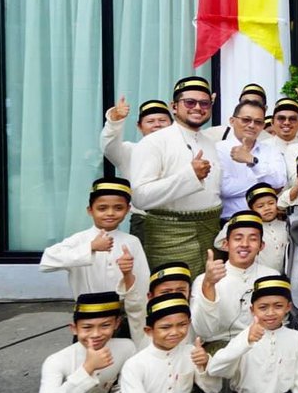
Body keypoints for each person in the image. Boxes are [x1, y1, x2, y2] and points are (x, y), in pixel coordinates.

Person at [40, 177, 150, 347]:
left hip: (121, 317)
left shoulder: (131, 241)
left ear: (128, 209)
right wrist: (90, 247)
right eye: (102, 208)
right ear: (90, 210)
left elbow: (142, 283)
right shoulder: (80, 239)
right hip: (88, 317)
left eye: (118, 208)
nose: (110, 213)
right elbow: (47, 261)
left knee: (123, 357)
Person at [130, 76, 223, 277]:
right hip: (169, 236)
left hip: (210, 233)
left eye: (204, 103)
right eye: (190, 102)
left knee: (206, 296)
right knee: (172, 299)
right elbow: (140, 196)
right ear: (174, 106)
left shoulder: (210, 143)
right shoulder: (153, 142)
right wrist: (190, 176)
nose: (197, 107)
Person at [190, 212, 279, 352]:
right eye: (238, 238)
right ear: (226, 244)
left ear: (261, 246)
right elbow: (204, 331)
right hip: (222, 346)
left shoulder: (272, 276)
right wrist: (209, 285)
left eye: (253, 239)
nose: (244, 244)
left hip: (263, 342)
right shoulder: (204, 279)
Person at [99, 97, 172, 243]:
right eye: (150, 121)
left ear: (172, 124)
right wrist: (115, 121)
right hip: (145, 221)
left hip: (180, 221)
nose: (157, 125)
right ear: (139, 126)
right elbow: (108, 146)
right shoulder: (129, 150)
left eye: (162, 120)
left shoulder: (184, 149)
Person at [216, 99, 287, 219]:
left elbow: (279, 182)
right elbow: (224, 189)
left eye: (258, 122)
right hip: (231, 220)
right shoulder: (218, 149)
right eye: (246, 120)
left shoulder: (271, 150)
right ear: (232, 121)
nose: (252, 125)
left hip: (267, 222)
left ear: (263, 126)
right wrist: (266, 187)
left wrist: (252, 161)